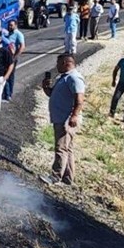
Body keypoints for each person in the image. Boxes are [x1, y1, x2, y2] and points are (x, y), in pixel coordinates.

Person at [40, 53, 86, 185]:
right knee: (67, 149)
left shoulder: (74, 78)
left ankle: (55, 176)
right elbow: (52, 94)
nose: (56, 66)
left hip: (66, 120)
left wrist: (74, 116)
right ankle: (68, 178)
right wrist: (45, 87)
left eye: (58, 63)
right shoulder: (63, 78)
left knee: (61, 148)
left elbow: (79, 100)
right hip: (60, 117)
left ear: (66, 62)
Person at [2, 19, 25, 100]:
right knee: (4, 74)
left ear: (16, 25)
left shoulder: (18, 34)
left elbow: (22, 47)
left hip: (12, 58)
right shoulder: (7, 34)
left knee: (10, 75)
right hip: (4, 57)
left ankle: (9, 94)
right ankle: (5, 93)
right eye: (9, 25)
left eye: (11, 25)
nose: (9, 26)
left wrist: (15, 57)